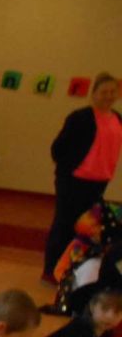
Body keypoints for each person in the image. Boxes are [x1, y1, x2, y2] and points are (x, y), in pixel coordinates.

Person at [45, 72, 122, 282]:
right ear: (94, 93)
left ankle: (73, 269)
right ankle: (51, 270)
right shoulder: (80, 118)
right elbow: (58, 149)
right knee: (65, 223)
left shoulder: (117, 118)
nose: (108, 96)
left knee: (86, 226)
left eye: (112, 92)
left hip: (99, 181)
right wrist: (72, 168)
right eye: (104, 92)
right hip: (74, 180)